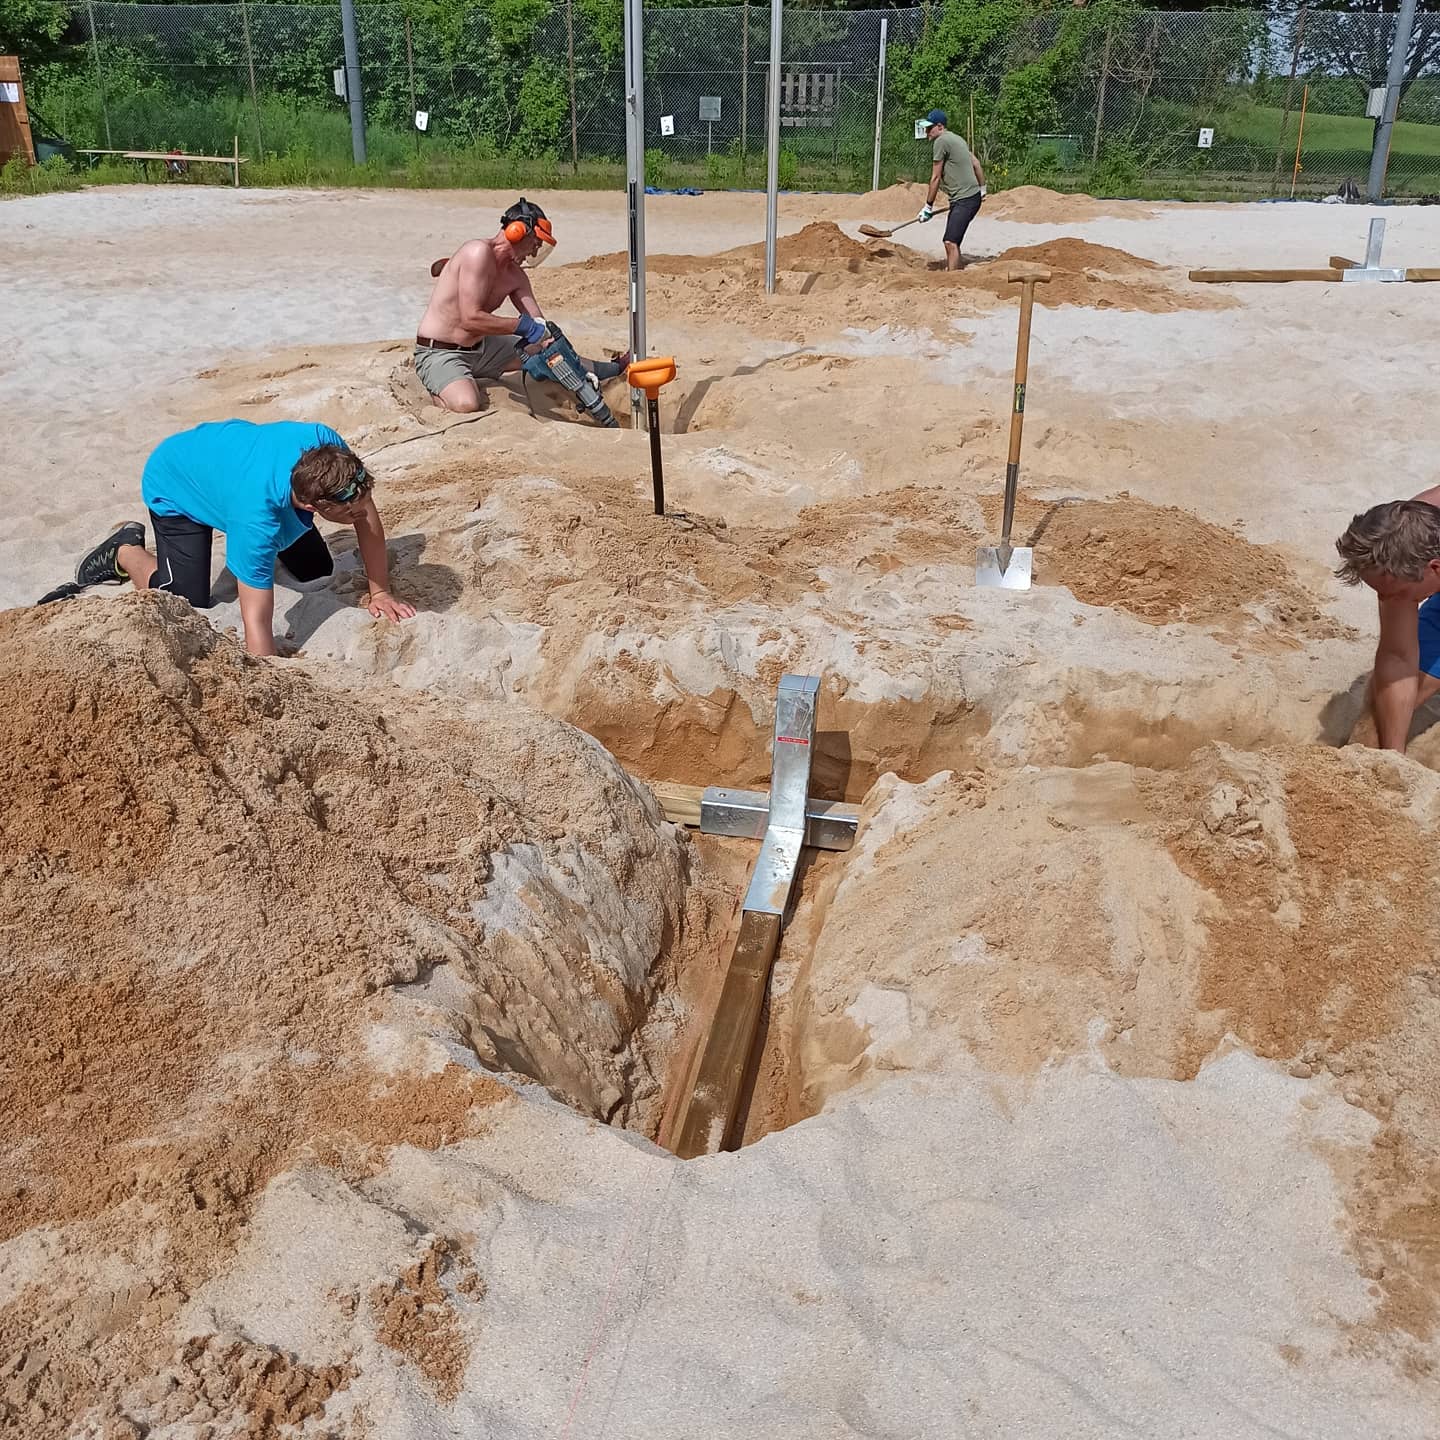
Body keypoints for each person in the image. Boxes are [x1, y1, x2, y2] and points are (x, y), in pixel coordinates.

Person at [72, 418, 416, 658]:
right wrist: (269, 673)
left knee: (315, 568)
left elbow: (365, 512)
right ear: (313, 505)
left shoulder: (330, 449)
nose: (363, 513)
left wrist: (380, 591)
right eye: (350, 513)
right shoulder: (255, 520)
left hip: (229, 462)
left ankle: (271, 545)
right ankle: (124, 550)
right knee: (185, 600)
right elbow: (256, 620)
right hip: (176, 481)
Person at [414, 197, 627, 414]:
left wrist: (579, 369)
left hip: (483, 348)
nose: (534, 253)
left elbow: (543, 331)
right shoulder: (477, 253)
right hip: (441, 350)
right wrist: (521, 326)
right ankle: (442, 388)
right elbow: (470, 318)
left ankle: (608, 368)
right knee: (467, 403)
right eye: (535, 244)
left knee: (541, 349)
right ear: (517, 231)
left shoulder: (515, 276)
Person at [1335, 492, 1440, 752]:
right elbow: (1398, 656)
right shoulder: (1405, 537)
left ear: (1436, 568)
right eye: (1381, 591)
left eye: (1395, 594)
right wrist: (1392, 757)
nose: (1387, 600)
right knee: (1377, 724)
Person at [915, 109, 986, 272]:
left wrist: (928, 207)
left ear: (939, 126)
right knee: (954, 240)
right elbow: (975, 163)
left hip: (964, 200)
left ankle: (952, 278)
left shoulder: (941, 142)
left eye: (929, 128)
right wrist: (982, 190)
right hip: (970, 197)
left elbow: (935, 177)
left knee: (950, 242)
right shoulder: (958, 139)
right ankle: (956, 269)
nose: (927, 132)